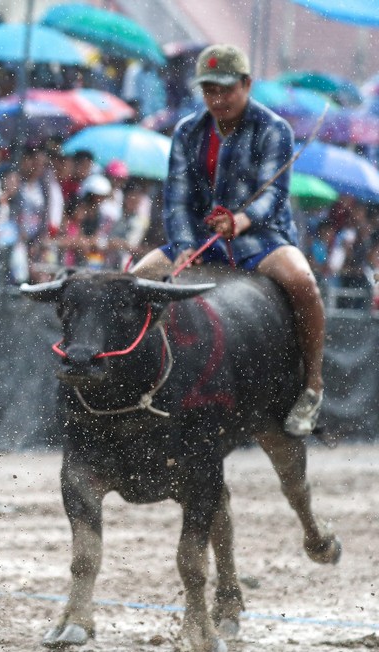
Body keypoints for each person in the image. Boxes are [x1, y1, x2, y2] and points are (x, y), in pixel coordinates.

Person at [130, 44, 325, 437]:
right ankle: (134, 380)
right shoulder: (187, 131)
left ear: (247, 85)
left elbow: (272, 198)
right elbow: (177, 198)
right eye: (209, 90)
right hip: (201, 239)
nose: (217, 99)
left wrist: (241, 220)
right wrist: (184, 243)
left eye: (226, 90)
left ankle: (313, 384)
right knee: (135, 280)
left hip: (261, 238)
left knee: (303, 282)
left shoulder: (274, 129)